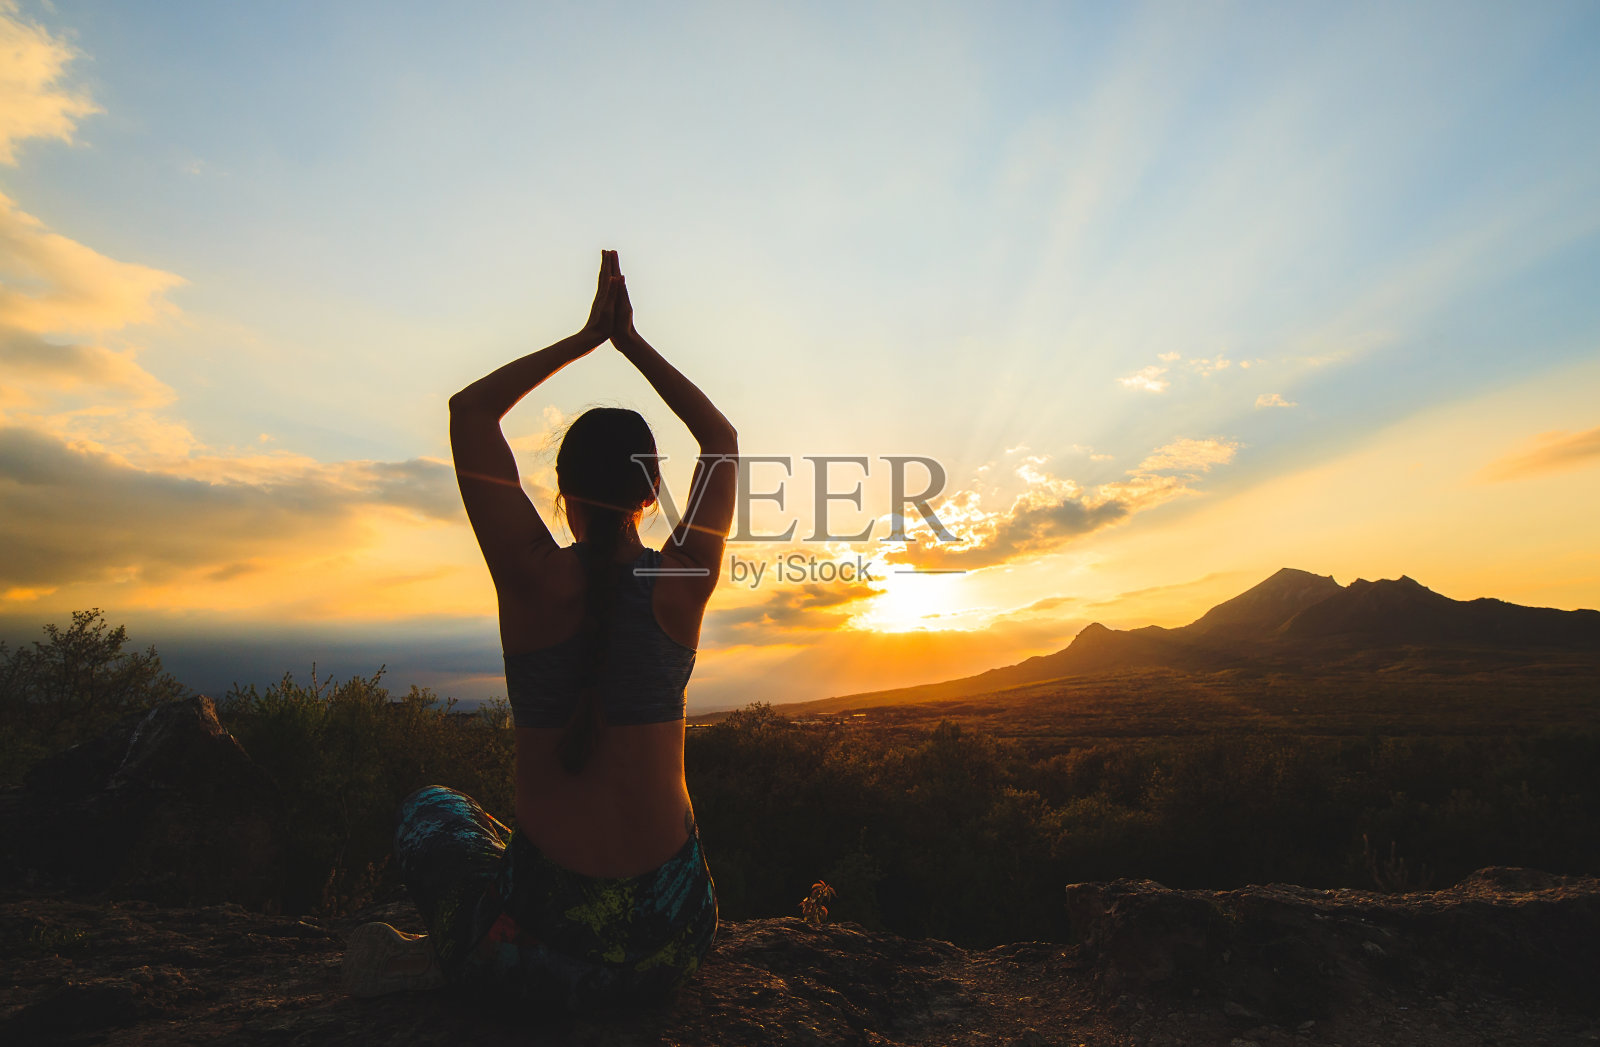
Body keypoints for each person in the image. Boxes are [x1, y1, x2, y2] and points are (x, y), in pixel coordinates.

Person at [342, 250, 737, 1012]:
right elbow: (719, 435)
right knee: (490, 829)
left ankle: (447, 957)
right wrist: (632, 342)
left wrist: (586, 337)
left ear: (560, 490)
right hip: (677, 931)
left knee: (433, 808)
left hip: (548, 947)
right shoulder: (682, 581)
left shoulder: (529, 576)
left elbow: (469, 412)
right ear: (654, 489)